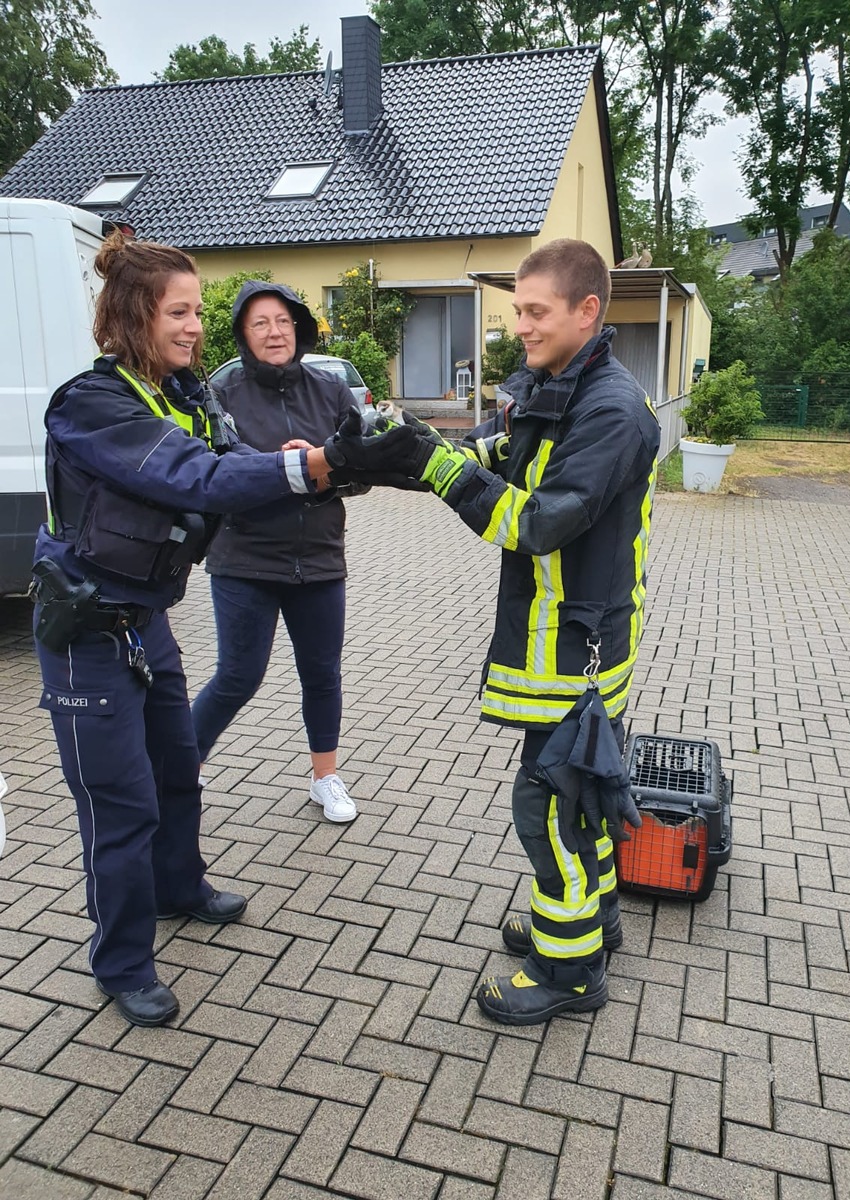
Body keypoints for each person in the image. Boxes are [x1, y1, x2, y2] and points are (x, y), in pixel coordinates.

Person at [30, 233, 413, 1028]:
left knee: (177, 772)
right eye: (180, 312)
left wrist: (346, 459)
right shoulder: (92, 404)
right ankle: (122, 960)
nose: (195, 326)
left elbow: (239, 464)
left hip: (147, 623)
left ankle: (179, 886)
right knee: (121, 804)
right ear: (134, 315)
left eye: (195, 312)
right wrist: (300, 468)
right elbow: (191, 477)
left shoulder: (185, 393)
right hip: (88, 636)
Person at [352, 238, 661, 1025]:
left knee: (549, 806)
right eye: (517, 309)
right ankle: (592, 925)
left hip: (575, 648)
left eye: (534, 311)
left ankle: (570, 974)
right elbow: (500, 456)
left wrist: (445, 472)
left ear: (586, 310)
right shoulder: (561, 384)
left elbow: (541, 522)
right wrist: (406, 452)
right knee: (577, 799)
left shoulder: (612, 410)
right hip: (558, 640)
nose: (518, 325)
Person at [191, 281, 365, 823]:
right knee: (238, 676)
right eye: (261, 323)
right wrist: (287, 468)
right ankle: (178, 769)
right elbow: (218, 470)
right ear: (244, 333)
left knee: (322, 674)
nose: (275, 332)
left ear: (299, 328)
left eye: (284, 321)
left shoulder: (331, 389)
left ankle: (325, 778)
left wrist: (322, 466)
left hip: (318, 557)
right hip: (244, 559)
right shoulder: (222, 394)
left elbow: (361, 468)